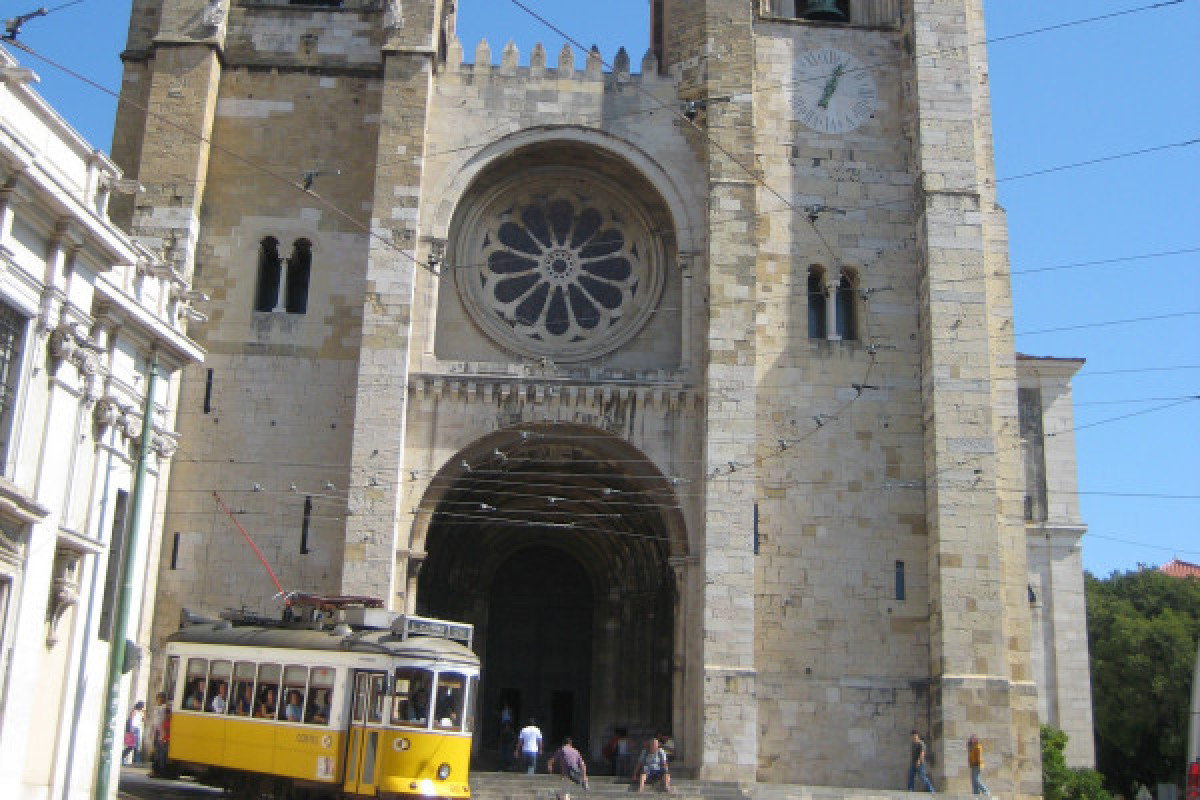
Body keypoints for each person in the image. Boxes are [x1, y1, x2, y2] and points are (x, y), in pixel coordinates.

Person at [147, 692, 168, 767]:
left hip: (161, 730)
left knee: (160, 749)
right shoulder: (155, 708)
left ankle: (158, 767)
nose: (160, 700)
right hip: (155, 729)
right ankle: (155, 766)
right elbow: (154, 720)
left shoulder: (165, 707)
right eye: (159, 698)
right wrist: (151, 730)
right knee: (155, 748)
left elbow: (164, 718)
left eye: (162, 698)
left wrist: (163, 732)